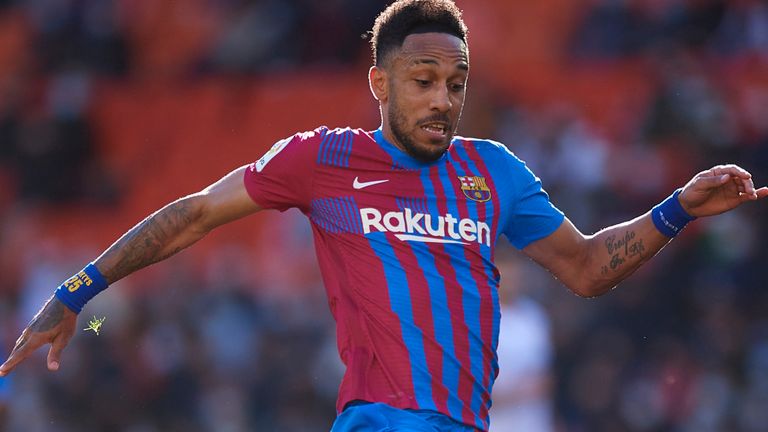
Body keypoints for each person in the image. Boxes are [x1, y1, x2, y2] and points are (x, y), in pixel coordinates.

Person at [1, 0, 766, 431]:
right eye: (423, 79)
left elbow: (590, 269)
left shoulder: (493, 171)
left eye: (456, 82)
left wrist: (677, 209)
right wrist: (75, 295)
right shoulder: (322, 159)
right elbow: (194, 214)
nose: (443, 99)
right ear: (379, 81)